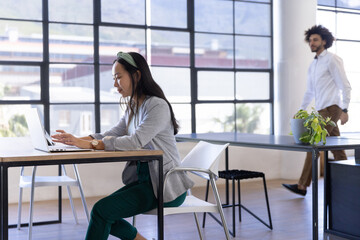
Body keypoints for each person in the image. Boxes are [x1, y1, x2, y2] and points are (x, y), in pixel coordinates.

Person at [52, 51, 194, 240]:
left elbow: (134, 142)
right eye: (114, 78)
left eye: (119, 77)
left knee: (102, 211)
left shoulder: (157, 106)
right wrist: (76, 140)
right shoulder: (134, 106)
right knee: (101, 212)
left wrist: (91, 144)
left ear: (136, 75)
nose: (115, 84)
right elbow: (111, 134)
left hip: (164, 186)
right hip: (145, 182)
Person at [282, 25, 351, 196]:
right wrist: (300, 111)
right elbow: (309, 92)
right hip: (321, 110)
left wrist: (345, 109)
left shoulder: (332, 59)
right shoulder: (313, 65)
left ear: (324, 41)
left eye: (315, 40)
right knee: (336, 148)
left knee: (315, 144)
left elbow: (345, 85)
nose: (311, 43)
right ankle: (351, 181)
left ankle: (302, 185)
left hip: (332, 108)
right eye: (310, 40)